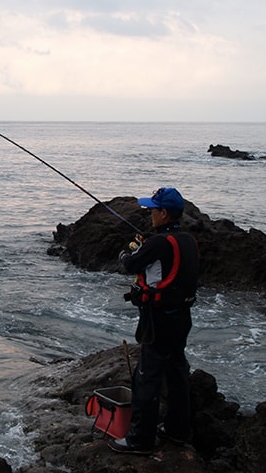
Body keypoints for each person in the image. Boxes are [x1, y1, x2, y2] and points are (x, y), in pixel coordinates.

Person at [108, 187, 199, 454]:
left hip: (158, 320)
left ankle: (140, 440)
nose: (149, 214)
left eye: (152, 210)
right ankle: (177, 431)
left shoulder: (158, 243)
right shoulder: (187, 240)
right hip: (182, 318)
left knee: (147, 377)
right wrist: (147, 244)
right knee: (177, 371)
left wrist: (128, 251)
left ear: (163, 213)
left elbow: (130, 264)